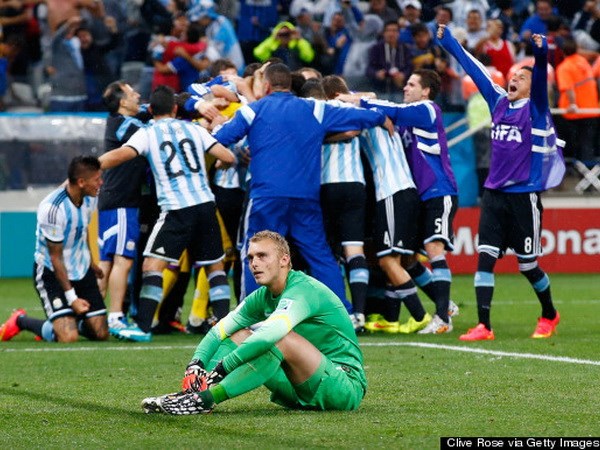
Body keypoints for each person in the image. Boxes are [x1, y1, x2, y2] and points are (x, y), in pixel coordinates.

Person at [213, 62, 390, 306]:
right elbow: (356, 116)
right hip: (305, 196)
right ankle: (340, 312)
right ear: (289, 84)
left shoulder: (253, 110)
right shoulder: (315, 108)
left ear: (266, 85)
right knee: (319, 255)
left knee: (255, 253)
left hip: (267, 195)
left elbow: (219, 138)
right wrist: (380, 117)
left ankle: (254, 313)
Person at [141, 230, 367, 415]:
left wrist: (224, 367)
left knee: (279, 339)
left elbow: (271, 334)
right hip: (299, 384)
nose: (254, 263)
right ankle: (195, 395)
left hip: (342, 386)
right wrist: (196, 364)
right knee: (237, 333)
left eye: (262, 256)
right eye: (250, 258)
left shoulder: (303, 290)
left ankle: (208, 398)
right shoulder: (263, 295)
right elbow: (220, 330)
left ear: (284, 260)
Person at [437, 25, 565, 341]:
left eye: (521, 78)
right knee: (485, 257)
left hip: (524, 196)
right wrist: (450, 42)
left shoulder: (536, 110)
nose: (513, 79)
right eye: (512, 76)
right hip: (494, 194)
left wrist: (540, 52)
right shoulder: (498, 103)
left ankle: (549, 314)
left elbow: (539, 77)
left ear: (531, 86)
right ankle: (484, 325)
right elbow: (474, 69)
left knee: (527, 265)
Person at [98, 85, 236, 342]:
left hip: (176, 209)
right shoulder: (194, 129)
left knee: (152, 265)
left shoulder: (148, 133)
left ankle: (143, 327)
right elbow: (226, 156)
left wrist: (93, 165)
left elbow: (121, 155)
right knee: (214, 267)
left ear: (150, 110)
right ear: (174, 109)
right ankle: (224, 328)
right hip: (206, 204)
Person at [359, 69, 460, 333]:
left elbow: (394, 110)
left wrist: (359, 99)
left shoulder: (428, 109)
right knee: (407, 260)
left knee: (434, 247)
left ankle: (442, 320)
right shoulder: (405, 122)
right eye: (406, 83)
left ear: (426, 91)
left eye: (412, 84)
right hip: (418, 195)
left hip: (439, 191)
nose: (405, 88)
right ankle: (444, 304)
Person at [0, 156, 109, 343]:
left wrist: (91, 263)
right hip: (52, 272)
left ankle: (70, 322)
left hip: (81, 270)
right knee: (68, 337)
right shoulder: (53, 209)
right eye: (97, 179)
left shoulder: (90, 199)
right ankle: (20, 321)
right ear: (81, 182)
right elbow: (55, 258)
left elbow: (81, 232)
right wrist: (72, 298)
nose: (101, 182)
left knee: (100, 333)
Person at [96, 81, 148, 335]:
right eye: (131, 93)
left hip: (110, 200)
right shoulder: (126, 125)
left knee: (106, 262)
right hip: (122, 202)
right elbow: (152, 126)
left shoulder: (119, 123)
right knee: (123, 260)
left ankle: (93, 315)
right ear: (122, 103)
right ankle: (116, 315)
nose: (137, 94)